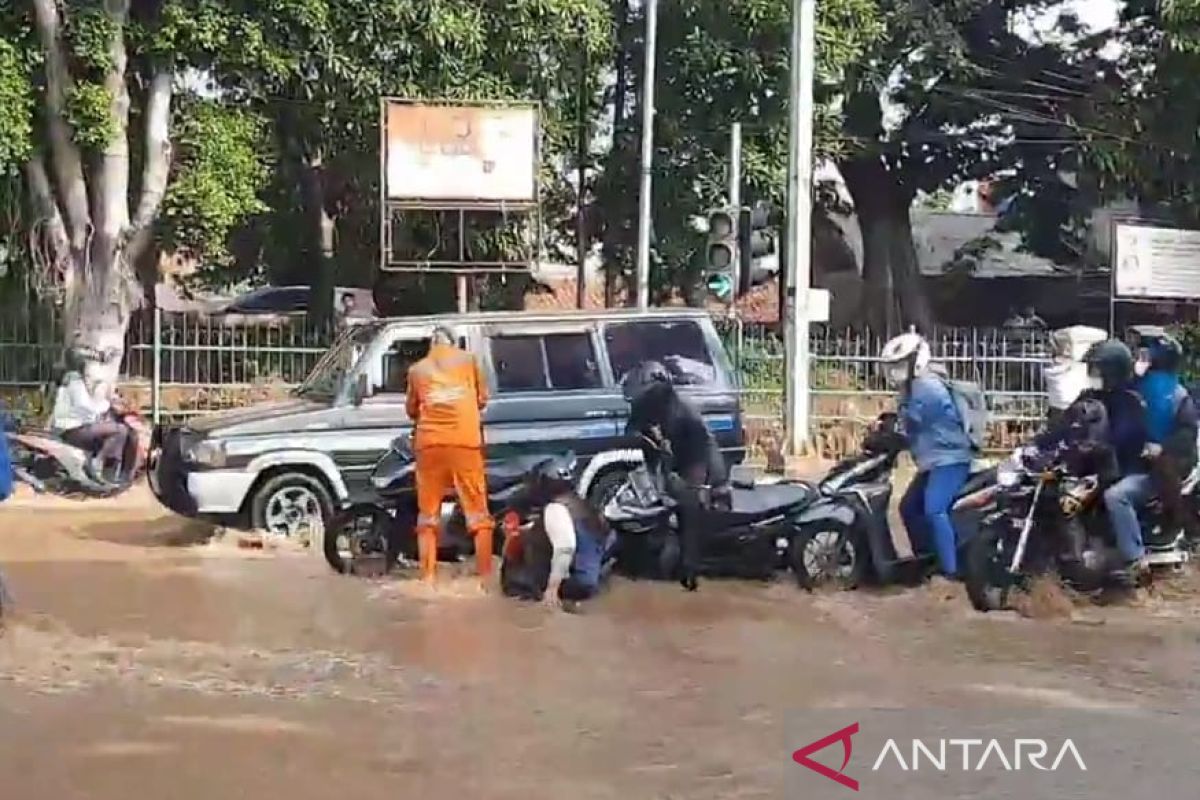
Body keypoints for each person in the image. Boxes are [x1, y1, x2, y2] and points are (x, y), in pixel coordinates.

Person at [1039, 339, 1151, 579]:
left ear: (1114, 370)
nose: (1093, 374)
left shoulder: (1130, 401)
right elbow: (1065, 424)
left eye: (1098, 368)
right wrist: (1039, 443)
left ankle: (1133, 561)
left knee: (1113, 498)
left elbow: (1124, 436)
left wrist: (1096, 447)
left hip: (1122, 469)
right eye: (1092, 368)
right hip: (1089, 466)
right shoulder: (1089, 396)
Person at [622, 360, 730, 592]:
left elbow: (701, 453)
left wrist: (687, 480)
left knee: (687, 505)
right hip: (668, 456)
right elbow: (631, 430)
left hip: (693, 456)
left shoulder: (684, 414)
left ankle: (690, 568)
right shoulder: (646, 407)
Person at [879, 331, 974, 579]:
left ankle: (951, 572)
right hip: (932, 461)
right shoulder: (911, 386)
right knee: (908, 507)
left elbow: (911, 421)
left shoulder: (927, 387)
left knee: (934, 509)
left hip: (950, 459)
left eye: (900, 364)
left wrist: (893, 432)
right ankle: (926, 560)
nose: (895, 371)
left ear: (916, 360)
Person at [405, 325, 492, 588]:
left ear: (432, 344)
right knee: (478, 515)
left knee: (428, 516)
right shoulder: (469, 361)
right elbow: (483, 399)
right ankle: (485, 578)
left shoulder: (417, 370)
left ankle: (428, 578)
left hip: (429, 446)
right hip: (465, 443)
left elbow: (411, 410)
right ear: (454, 343)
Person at [500, 460, 614, 610]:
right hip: (594, 570)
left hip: (577, 580)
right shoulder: (581, 503)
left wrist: (552, 590)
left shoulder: (555, 509)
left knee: (511, 576)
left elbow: (565, 547)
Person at [1129, 328, 1199, 541]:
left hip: (1170, 457)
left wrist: (1163, 448)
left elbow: (1187, 433)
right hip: (1137, 451)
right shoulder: (1138, 385)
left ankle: (1175, 523)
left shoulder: (1177, 393)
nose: (1141, 358)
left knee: (1165, 467)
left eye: (1146, 353)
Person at [49, 348, 134, 483]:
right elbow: (84, 407)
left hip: (68, 428)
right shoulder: (74, 381)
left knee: (110, 430)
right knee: (121, 430)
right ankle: (97, 463)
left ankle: (105, 471)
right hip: (73, 429)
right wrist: (106, 405)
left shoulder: (66, 379)